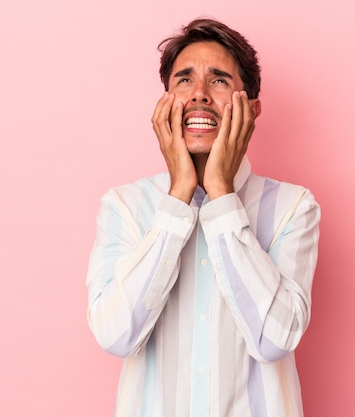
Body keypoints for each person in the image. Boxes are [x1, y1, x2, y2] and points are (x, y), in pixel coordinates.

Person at [86, 17, 321, 417]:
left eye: (219, 81)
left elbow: (275, 339)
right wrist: (178, 197)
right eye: (183, 80)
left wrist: (221, 195)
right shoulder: (124, 206)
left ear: (251, 108)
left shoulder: (293, 207)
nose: (199, 95)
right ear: (164, 103)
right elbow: (115, 336)